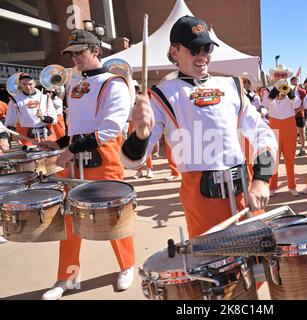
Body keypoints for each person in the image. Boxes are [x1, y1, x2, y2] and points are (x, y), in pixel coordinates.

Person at [121, 15, 278, 238]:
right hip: (202, 200)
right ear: (174, 52)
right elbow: (131, 161)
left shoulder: (231, 85)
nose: (203, 56)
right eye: (195, 49)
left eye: (207, 48)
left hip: (245, 191)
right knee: (213, 268)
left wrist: (262, 179)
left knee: (260, 265)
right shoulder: (162, 95)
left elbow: (263, 133)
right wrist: (140, 135)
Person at [38, 29, 135, 300]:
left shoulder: (113, 83)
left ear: (95, 50)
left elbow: (109, 129)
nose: (75, 59)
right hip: (75, 162)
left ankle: (127, 265)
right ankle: (67, 277)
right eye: (72, 54)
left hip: (104, 160)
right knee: (69, 222)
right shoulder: (74, 84)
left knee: (114, 218)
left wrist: (69, 149)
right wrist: (58, 144)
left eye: (79, 52)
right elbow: (78, 128)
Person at [261, 64, 301, 197]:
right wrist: (274, 92)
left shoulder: (293, 89)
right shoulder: (267, 90)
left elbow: (297, 104)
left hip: (289, 123)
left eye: (283, 75)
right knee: (274, 157)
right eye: (278, 75)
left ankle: (292, 186)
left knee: (290, 157)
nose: (280, 77)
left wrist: (289, 93)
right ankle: (272, 187)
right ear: (274, 76)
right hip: (274, 123)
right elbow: (265, 105)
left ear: (286, 77)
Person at [0, 73, 57, 149]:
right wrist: (8, 137)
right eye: (24, 84)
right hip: (26, 138)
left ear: (35, 83)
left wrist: (43, 118)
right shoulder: (15, 100)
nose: (28, 87)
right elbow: (10, 122)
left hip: (47, 135)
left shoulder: (45, 98)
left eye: (30, 84)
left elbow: (54, 119)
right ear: (20, 84)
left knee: (51, 160)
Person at [291, 76, 307, 156]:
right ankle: (292, 149)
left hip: (300, 114)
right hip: (290, 115)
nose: (295, 82)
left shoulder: (302, 91)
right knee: (292, 133)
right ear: (291, 82)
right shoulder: (287, 90)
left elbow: (305, 103)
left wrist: (297, 111)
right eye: (293, 81)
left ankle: (302, 148)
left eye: (296, 80)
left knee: (301, 132)